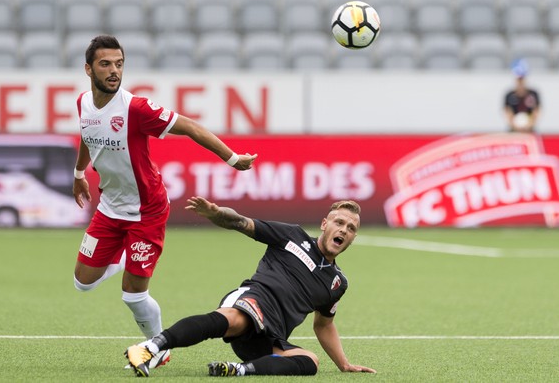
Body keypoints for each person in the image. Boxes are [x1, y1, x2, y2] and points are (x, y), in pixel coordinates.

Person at [72, 35, 257, 370]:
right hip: (110, 208)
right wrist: (78, 172)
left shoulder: (136, 108)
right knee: (81, 283)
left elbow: (190, 126)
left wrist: (231, 159)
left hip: (147, 211)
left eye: (119, 63)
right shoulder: (84, 102)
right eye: (105, 64)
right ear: (88, 68)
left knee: (132, 294)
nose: (114, 71)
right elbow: (88, 134)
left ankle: (158, 349)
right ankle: (126, 254)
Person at [124, 196, 377, 377]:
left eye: (350, 228)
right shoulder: (292, 236)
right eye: (339, 222)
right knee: (235, 320)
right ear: (325, 224)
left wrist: (344, 364)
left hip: (271, 335)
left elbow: (324, 324)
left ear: (353, 237)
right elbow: (243, 223)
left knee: (310, 362)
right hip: (254, 301)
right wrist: (217, 214)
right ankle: (150, 348)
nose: (343, 229)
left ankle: (239, 370)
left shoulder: (337, 283)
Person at [503, 58, 541, 133]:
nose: (520, 82)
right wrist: (515, 126)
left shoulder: (533, 94)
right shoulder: (509, 95)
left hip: (530, 130)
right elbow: (507, 113)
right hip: (513, 130)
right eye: (518, 79)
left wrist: (529, 125)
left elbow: (537, 112)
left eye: (522, 79)